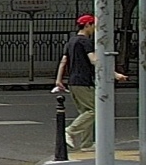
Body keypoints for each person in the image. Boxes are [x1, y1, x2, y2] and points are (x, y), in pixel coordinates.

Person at [53, 13, 128, 152]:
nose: (95, 29)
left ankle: (86, 144)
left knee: (85, 112)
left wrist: (58, 80)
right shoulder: (85, 41)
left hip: (73, 82)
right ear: (87, 25)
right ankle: (70, 131)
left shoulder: (71, 41)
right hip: (83, 81)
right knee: (94, 109)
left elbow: (63, 61)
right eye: (94, 26)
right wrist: (114, 74)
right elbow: (94, 61)